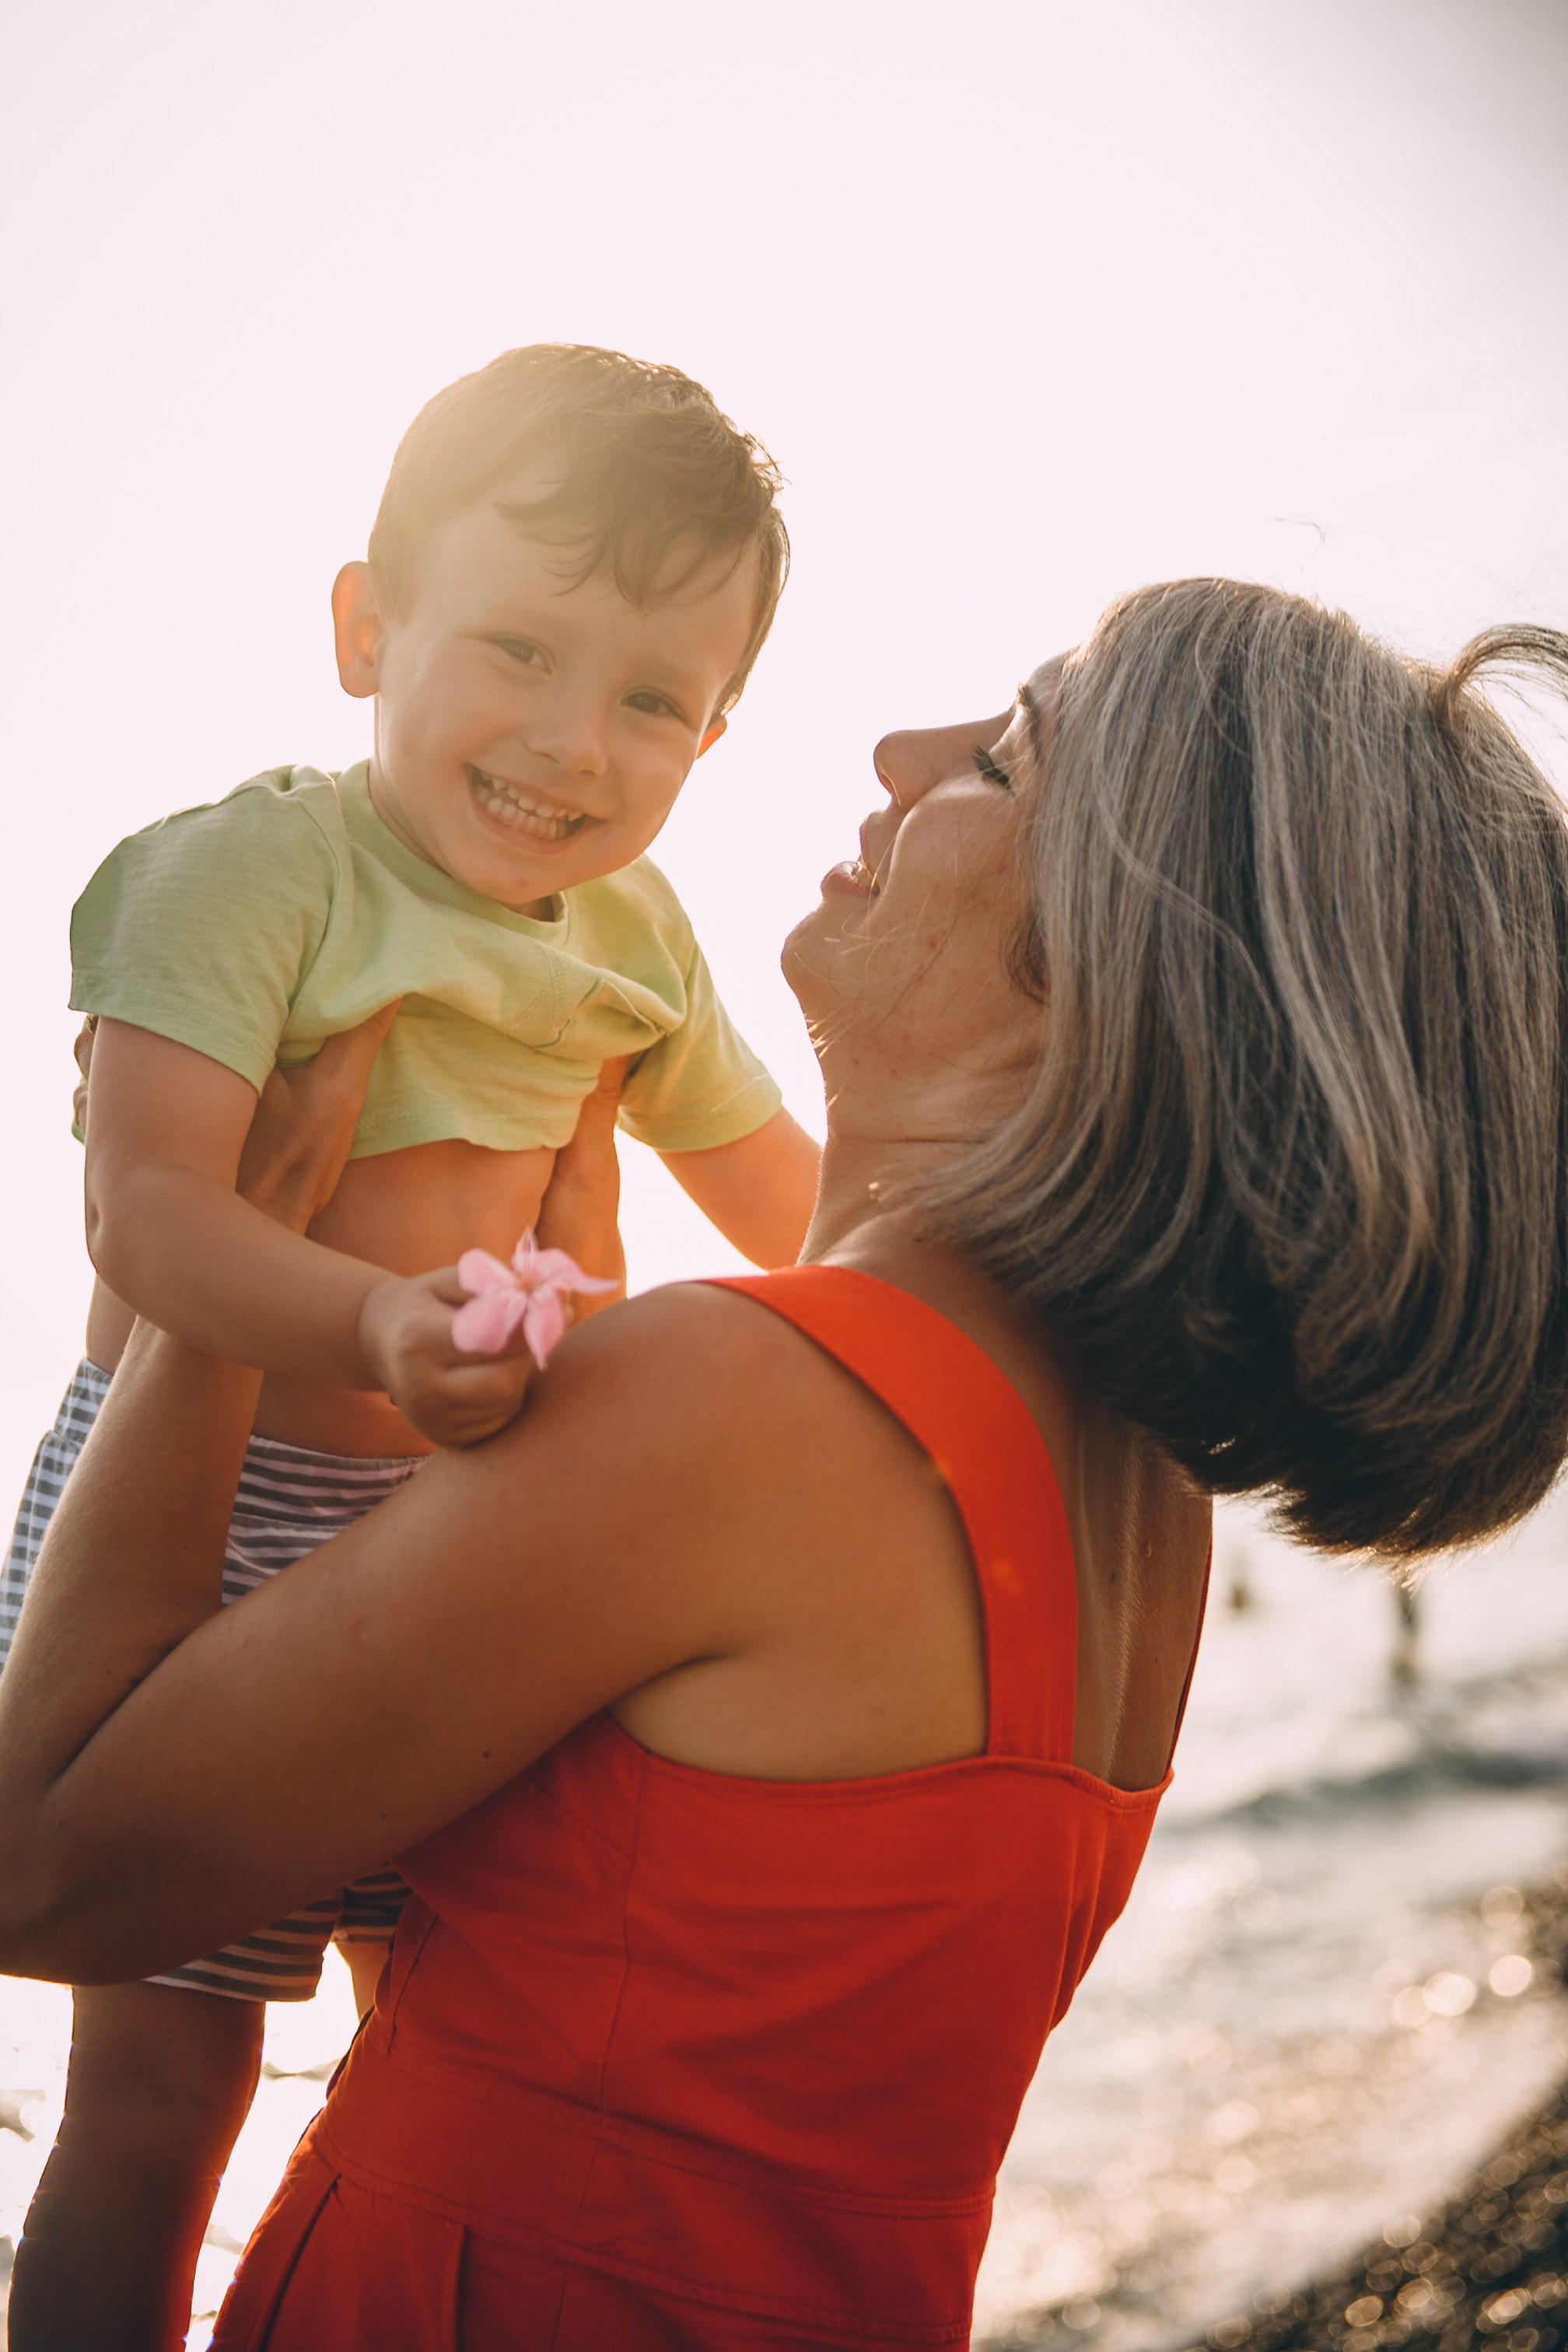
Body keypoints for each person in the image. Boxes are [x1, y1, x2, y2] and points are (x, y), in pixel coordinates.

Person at [3, 581, 1567, 2352]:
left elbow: (50, 1864)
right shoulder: (1136, 1486)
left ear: (1121, 964)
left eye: (1002, 759)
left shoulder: (747, 1399)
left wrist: (222, 1263)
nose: (899, 754)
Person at [0, 341, 820, 2344]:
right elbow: (149, 1211)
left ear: (716, 736)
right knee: (157, 2101)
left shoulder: (638, 940)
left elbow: (807, 1217)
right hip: (208, 1528)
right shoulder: (254, 869)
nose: (571, 740)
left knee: (443, 2062)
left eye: (652, 698)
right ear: (369, 627)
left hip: (468, 1557)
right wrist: (375, 1315)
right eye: (521, 647)